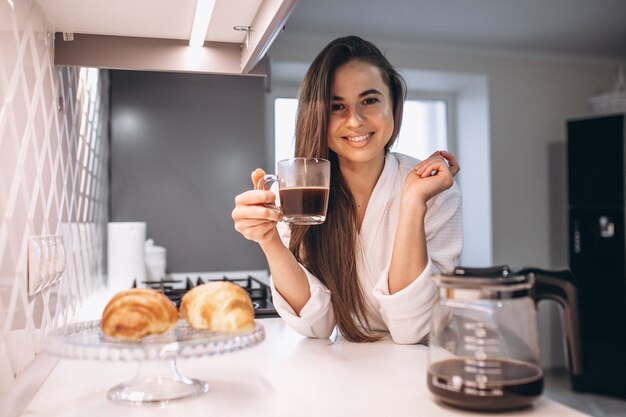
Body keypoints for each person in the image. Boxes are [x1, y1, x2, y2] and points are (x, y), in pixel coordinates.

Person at [232, 35, 463, 344]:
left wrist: (412, 203)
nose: (354, 120)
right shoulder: (300, 195)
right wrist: (269, 240)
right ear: (318, 116)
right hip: (346, 372)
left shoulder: (433, 190)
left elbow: (414, 330)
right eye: (337, 106)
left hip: (425, 369)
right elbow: (316, 326)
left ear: (394, 104)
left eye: (369, 100)